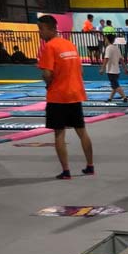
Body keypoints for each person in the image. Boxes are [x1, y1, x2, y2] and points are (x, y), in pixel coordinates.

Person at [37, 14, 95, 180]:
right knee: (82, 132)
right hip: (75, 94)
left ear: (50, 29)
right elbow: (81, 71)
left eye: (41, 29)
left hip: (58, 96)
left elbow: (47, 74)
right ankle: (90, 166)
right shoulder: (70, 45)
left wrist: (49, 83)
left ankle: (66, 171)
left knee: (59, 134)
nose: (40, 33)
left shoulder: (49, 47)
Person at [100, 34, 128, 103]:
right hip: (116, 70)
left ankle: (124, 97)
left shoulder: (108, 48)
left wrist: (102, 68)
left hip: (111, 71)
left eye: (105, 39)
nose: (105, 41)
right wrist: (125, 69)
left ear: (108, 40)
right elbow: (121, 60)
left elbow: (106, 59)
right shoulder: (116, 48)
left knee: (115, 85)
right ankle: (110, 98)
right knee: (114, 85)